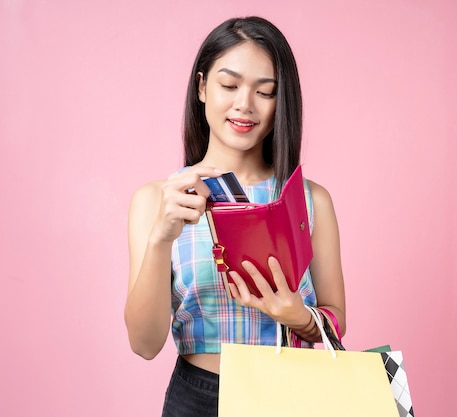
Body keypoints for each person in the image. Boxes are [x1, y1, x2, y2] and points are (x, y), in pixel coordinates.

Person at [124, 16, 346, 417]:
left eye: (265, 92)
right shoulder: (155, 200)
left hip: (294, 396)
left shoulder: (312, 201)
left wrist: (298, 316)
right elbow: (144, 344)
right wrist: (161, 238)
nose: (245, 103)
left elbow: (336, 321)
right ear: (202, 87)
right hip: (198, 399)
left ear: (282, 103)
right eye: (229, 85)